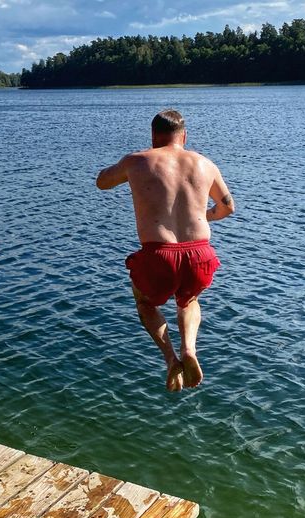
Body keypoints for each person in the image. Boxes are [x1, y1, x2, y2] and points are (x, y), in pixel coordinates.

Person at [96, 109, 235, 391]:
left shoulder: (137, 161)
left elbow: (102, 182)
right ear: (184, 136)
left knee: (145, 303)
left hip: (158, 255)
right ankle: (189, 350)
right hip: (200, 254)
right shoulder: (205, 164)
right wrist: (203, 216)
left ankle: (171, 358)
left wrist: (127, 168)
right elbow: (228, 207)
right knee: (189, 300)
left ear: (153, 136)